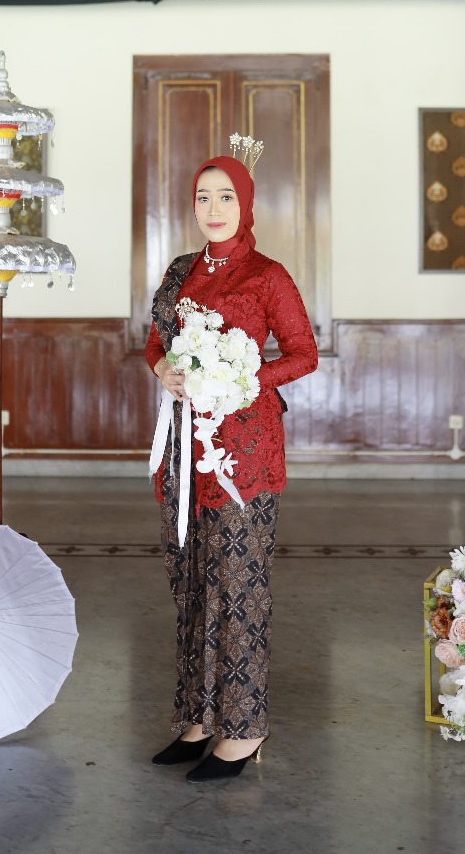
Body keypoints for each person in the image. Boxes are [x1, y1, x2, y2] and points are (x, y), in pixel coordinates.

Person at [144, 146, 318, 782]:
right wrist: (163, 369)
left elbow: (303, 353)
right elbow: (156, 343)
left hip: (244, 457)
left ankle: (243, 728)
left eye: (226, 197)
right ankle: (198, 717)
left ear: (245, 205)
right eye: (203, 197)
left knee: (237, 588)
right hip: (186, 452)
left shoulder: (267, 276)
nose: (213, 208)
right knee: (192, 585)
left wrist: (243, 377)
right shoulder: (180, 271)